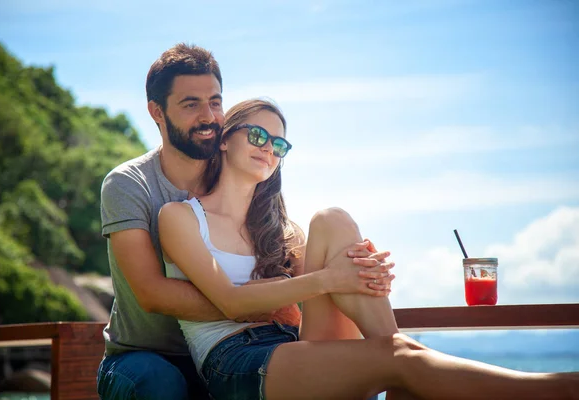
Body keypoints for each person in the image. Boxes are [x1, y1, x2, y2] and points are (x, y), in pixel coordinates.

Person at [159, 98, 579, 400]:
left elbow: (336, 291)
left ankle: (401, 370)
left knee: (333, 219)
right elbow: (231, 302)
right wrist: (332, 277)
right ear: (226, 141)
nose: (269, 148)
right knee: (399, 357)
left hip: (291, 343)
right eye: (258, 134)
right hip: (234, 361)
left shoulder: (282, 230)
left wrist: (365, 271)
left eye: (280, 145)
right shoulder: (180, 217)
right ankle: (555, 389)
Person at [97, 44, 393, 400]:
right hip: (145, 354)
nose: (208, 116)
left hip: (233, 349)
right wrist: (262, 304)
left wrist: (362, 269)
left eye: (216, 102)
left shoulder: (236, 175)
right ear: (156, 112)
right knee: (161, 384)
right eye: (191, 104)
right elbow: (151, 293)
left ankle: (397, 359)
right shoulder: (130, 184)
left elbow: (293, 254)